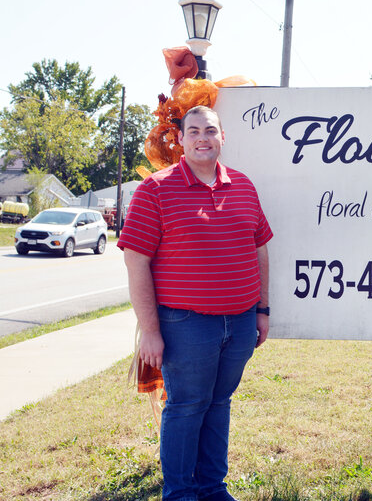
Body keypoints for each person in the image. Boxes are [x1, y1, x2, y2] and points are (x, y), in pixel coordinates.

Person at [118, 105, 273, 501]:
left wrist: (262, 309)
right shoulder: (156, 189)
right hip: (185, 324)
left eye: (210, 130)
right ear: (181, 139)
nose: (203, 137)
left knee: (219, 404)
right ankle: (180, 494)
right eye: (194, 131)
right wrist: (150, 332)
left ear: (223, 137)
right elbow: (136, 260)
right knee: (186, 408)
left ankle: (212, 488)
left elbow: (259, 250)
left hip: (239, 322)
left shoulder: (243, 185)